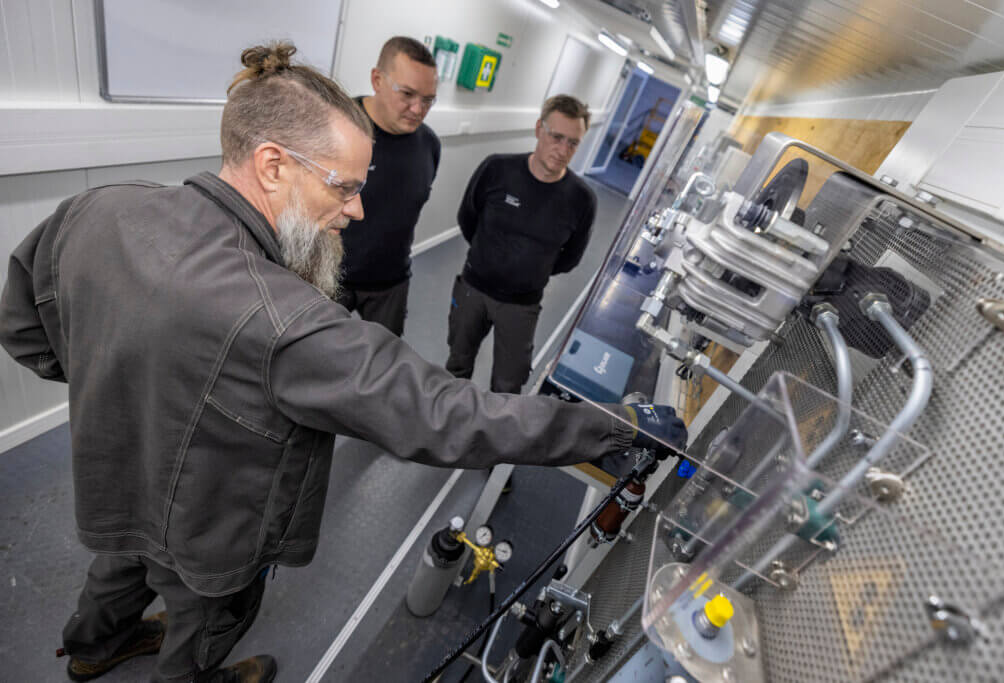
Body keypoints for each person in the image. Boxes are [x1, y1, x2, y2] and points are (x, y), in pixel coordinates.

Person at [0, 44, 685, 683]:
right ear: (272, 165)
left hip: (115, 479)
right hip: (211, 529)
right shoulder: (285, 320)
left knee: (120, 563)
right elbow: (451, 413)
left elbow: (24, 329)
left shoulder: (98, 210)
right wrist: (614, 426)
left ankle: (90, 650)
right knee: (204, 618)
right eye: (344, 186)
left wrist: (116, 385)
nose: (356, 209)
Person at [446, 94, 596, 394]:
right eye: (557, 137)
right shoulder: (497, 169)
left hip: (522, 305)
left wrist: (530, 270)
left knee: (508, 384)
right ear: (539, 128)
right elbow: (467, 218)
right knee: (457, 366)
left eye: (573, 143)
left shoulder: (582, 199)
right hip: (473, 289)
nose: (563, 149)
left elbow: (571, 258)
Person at [337, 36, 441, 336]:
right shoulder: (336, 126)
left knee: (382, 372)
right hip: (327, 278)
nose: (418, 108)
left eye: (428, 99)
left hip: (390, 283)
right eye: (407, 93)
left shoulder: (430, 145)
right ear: (377, 79)